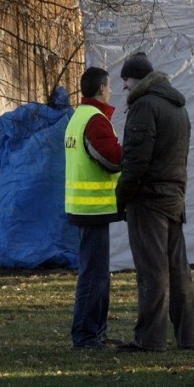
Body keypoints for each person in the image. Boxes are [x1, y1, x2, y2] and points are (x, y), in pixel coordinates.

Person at [115, 52, 194, 352]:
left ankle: (149, 340)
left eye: (126, 84)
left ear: (134, 79)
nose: (125, 90)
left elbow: (136, 161)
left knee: (152, 272)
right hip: (174, 196)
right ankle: (188, 337)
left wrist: (121, 195)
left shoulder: (144, 105)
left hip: (148, 200)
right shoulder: (177, 107)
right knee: (178, 270)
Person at [64, 67, 123, 350]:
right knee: (94, 276)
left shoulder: (78, 117)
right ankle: (87, 335)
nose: (111, 91)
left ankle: (94, 332)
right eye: (109, 86)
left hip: (83, 209)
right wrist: (130, 152)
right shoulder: (95, 120)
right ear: (101, 88)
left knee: (94, 274)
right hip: (94, 210)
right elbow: (112, 158)